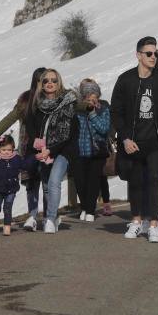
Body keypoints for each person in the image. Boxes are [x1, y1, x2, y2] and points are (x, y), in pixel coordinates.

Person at [111, 36, 158, 243]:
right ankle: (136, 222)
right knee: (135, 183)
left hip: (156, 141)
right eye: (149, 53)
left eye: (156, 53)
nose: (153, 57)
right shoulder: (125, 80)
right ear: (138, 55)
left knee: (154, 180)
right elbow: (116, 112)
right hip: (133, 142)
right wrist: (125, 138)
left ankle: (153, 225)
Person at [0, 67, 46, 230]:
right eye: (41, 80)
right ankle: (32, 216)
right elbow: (9, 119)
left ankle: (49, 216)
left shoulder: (55, 99)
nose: (45, 84)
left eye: (47, 80)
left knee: (48, 183)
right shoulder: (25, 101)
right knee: (31, 183)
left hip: (49, 147)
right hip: (28, 148)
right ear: (35, 82)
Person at [31, 69, 77, 234]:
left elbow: (68, 134)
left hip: (64, 150)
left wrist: (50, 150)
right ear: (41, 85)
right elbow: (34, 130)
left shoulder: (68, 103)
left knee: (53, 181)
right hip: (44, 150)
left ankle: (50, 219)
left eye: (54, 80)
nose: (50, 83)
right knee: (46, 186)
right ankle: (54, 216)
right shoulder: (38, 106)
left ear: (59, 83)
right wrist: (39, 147)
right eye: (46, 80)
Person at [70, 78, 110, 223]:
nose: (91, 99)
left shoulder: (103, 109)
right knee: (80, 182)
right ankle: (85, 207)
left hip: (97, 151)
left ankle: (90, 211)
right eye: (88, 97)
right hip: (80, 152)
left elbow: (104, 129)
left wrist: (92, 114)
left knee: (93, 181)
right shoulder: (77, 111)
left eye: (94, 96)